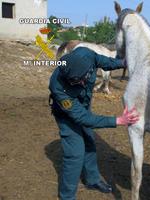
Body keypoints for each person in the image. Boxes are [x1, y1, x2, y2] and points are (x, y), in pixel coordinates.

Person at [48, 46, 139, 200]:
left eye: (82, 78)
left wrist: (124, 62)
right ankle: (67, 196)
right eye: (75, 81)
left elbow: (105, 62)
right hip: (67, 114)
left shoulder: (87, 55)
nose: (82, 83)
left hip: (83, 106)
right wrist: (118, 120)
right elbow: (84, 119)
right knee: (75, 154)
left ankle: (92, 180)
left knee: (89, 141)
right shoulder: (58, 87)